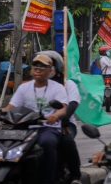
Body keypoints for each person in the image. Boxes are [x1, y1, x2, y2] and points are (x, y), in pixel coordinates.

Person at [0, 54, 68, 184]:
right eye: (36, 65)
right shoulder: (24, 88)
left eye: (43, 66)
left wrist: (55, 115)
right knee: (4, 143)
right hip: (25, 129)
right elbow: (11, 107)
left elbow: (63, 108)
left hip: (47, 128)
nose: (38, 69)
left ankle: (49, 180)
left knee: (47, 142)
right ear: (31, 69)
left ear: (50, 71)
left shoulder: (58, 88)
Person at [39, 50, 83, 184]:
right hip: (39, 124)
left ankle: (75, 175)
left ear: (56, 67)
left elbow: (73, 104)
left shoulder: (67, 84)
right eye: (40, 66)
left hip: (64, 124)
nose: (43, 69)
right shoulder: (34, 85)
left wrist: (62, 121)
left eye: (47, 65)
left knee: (67, 141)